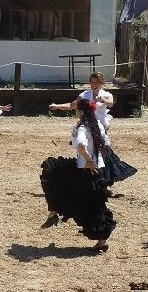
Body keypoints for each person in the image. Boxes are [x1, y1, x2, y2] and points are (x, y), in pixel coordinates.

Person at [39, 99, 118, 253]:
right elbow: (105, 144)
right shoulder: (98, 125)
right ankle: (102, 242)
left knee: (55, 175)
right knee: (97, 204)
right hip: (99, 169)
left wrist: (88, 160)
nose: (75, 112)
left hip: (86, 170)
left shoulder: (82, 127)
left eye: (77, 110)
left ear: (81, 111)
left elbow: (81, 145)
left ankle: (54, 211)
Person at [49, 72, 114, 132]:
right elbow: (72, 106)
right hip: (87, 123)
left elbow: (111, 103)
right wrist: (57, 106)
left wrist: (103, 100)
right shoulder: (84, 95)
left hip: (101, 123)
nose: (94, 84)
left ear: (101, 83)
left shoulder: (107, 95)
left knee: (103, 140)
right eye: (92, 82)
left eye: (96, 82)